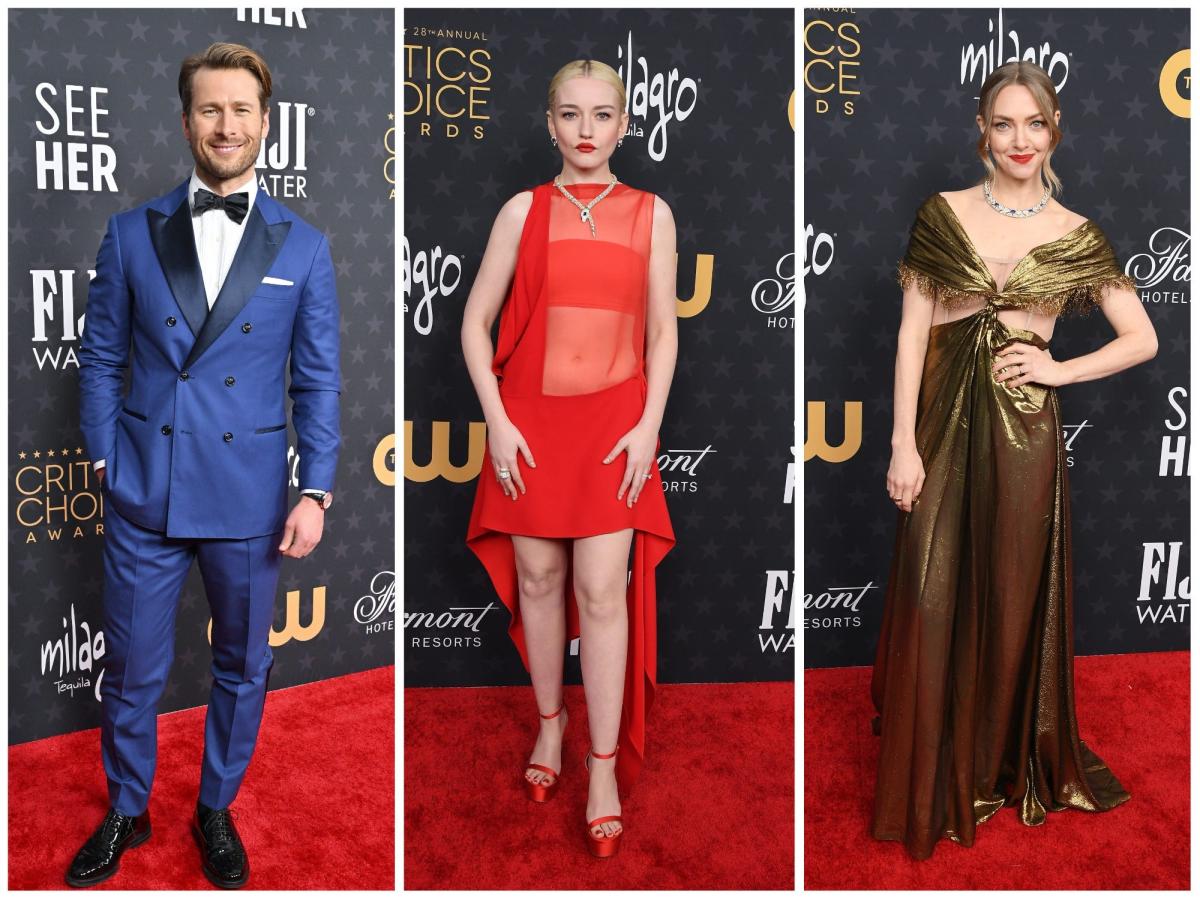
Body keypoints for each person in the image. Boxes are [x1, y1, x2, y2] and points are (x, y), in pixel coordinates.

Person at [870, 60, 1156, 860]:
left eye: (1034, 123)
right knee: (933, 596)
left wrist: (1059, 368)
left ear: (1053, 130)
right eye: (1004, 123)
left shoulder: (1076, 232)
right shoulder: (943, 212)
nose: (1019, 140)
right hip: (938, 432)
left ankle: (996, 764)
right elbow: (910, 333)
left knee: (1008, 596)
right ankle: (933, 767)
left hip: (1024, 433)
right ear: (982, 130)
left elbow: (1144, 337)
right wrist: (902, 441)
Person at [70, 42, 341, 888]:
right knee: (133, 669)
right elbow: (102, 358)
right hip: (145, 490)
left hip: (251, 498)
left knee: (242, 665)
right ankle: (128, 808)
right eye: (210, 109)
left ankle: (214, 807)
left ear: (266, 123)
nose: (226, 125)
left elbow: (319, 376)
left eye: (242, 110)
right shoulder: (129, 233)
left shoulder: (304, 247)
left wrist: (317, 488)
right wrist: (109, 457)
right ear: (187, 122)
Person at [461, 59, 677, 858]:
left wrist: (648, 424)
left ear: (625, 123)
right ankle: (550, 730)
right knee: (541, 580)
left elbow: (662, 332)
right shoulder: (523, 210)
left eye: (603, 115)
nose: (587, 131)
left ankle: (603, 766)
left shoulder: (654, 214)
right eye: (570, 115)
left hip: (616, 425)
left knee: (601, 590)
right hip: (529, 426)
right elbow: (474, 326)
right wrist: (499, 424)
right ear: (548, 123)